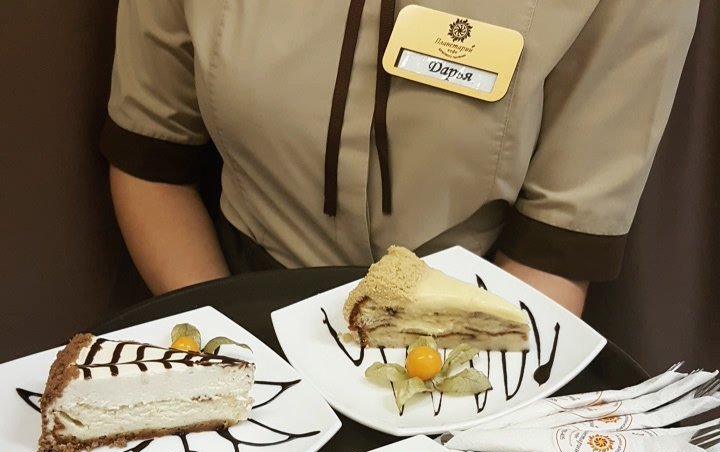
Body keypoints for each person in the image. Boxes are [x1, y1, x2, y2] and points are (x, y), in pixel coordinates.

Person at [100, 1, 699, 316]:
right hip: (233, 300)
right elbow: (152, 157)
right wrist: (230, 350)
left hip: (478, 330)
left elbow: (558, 245)